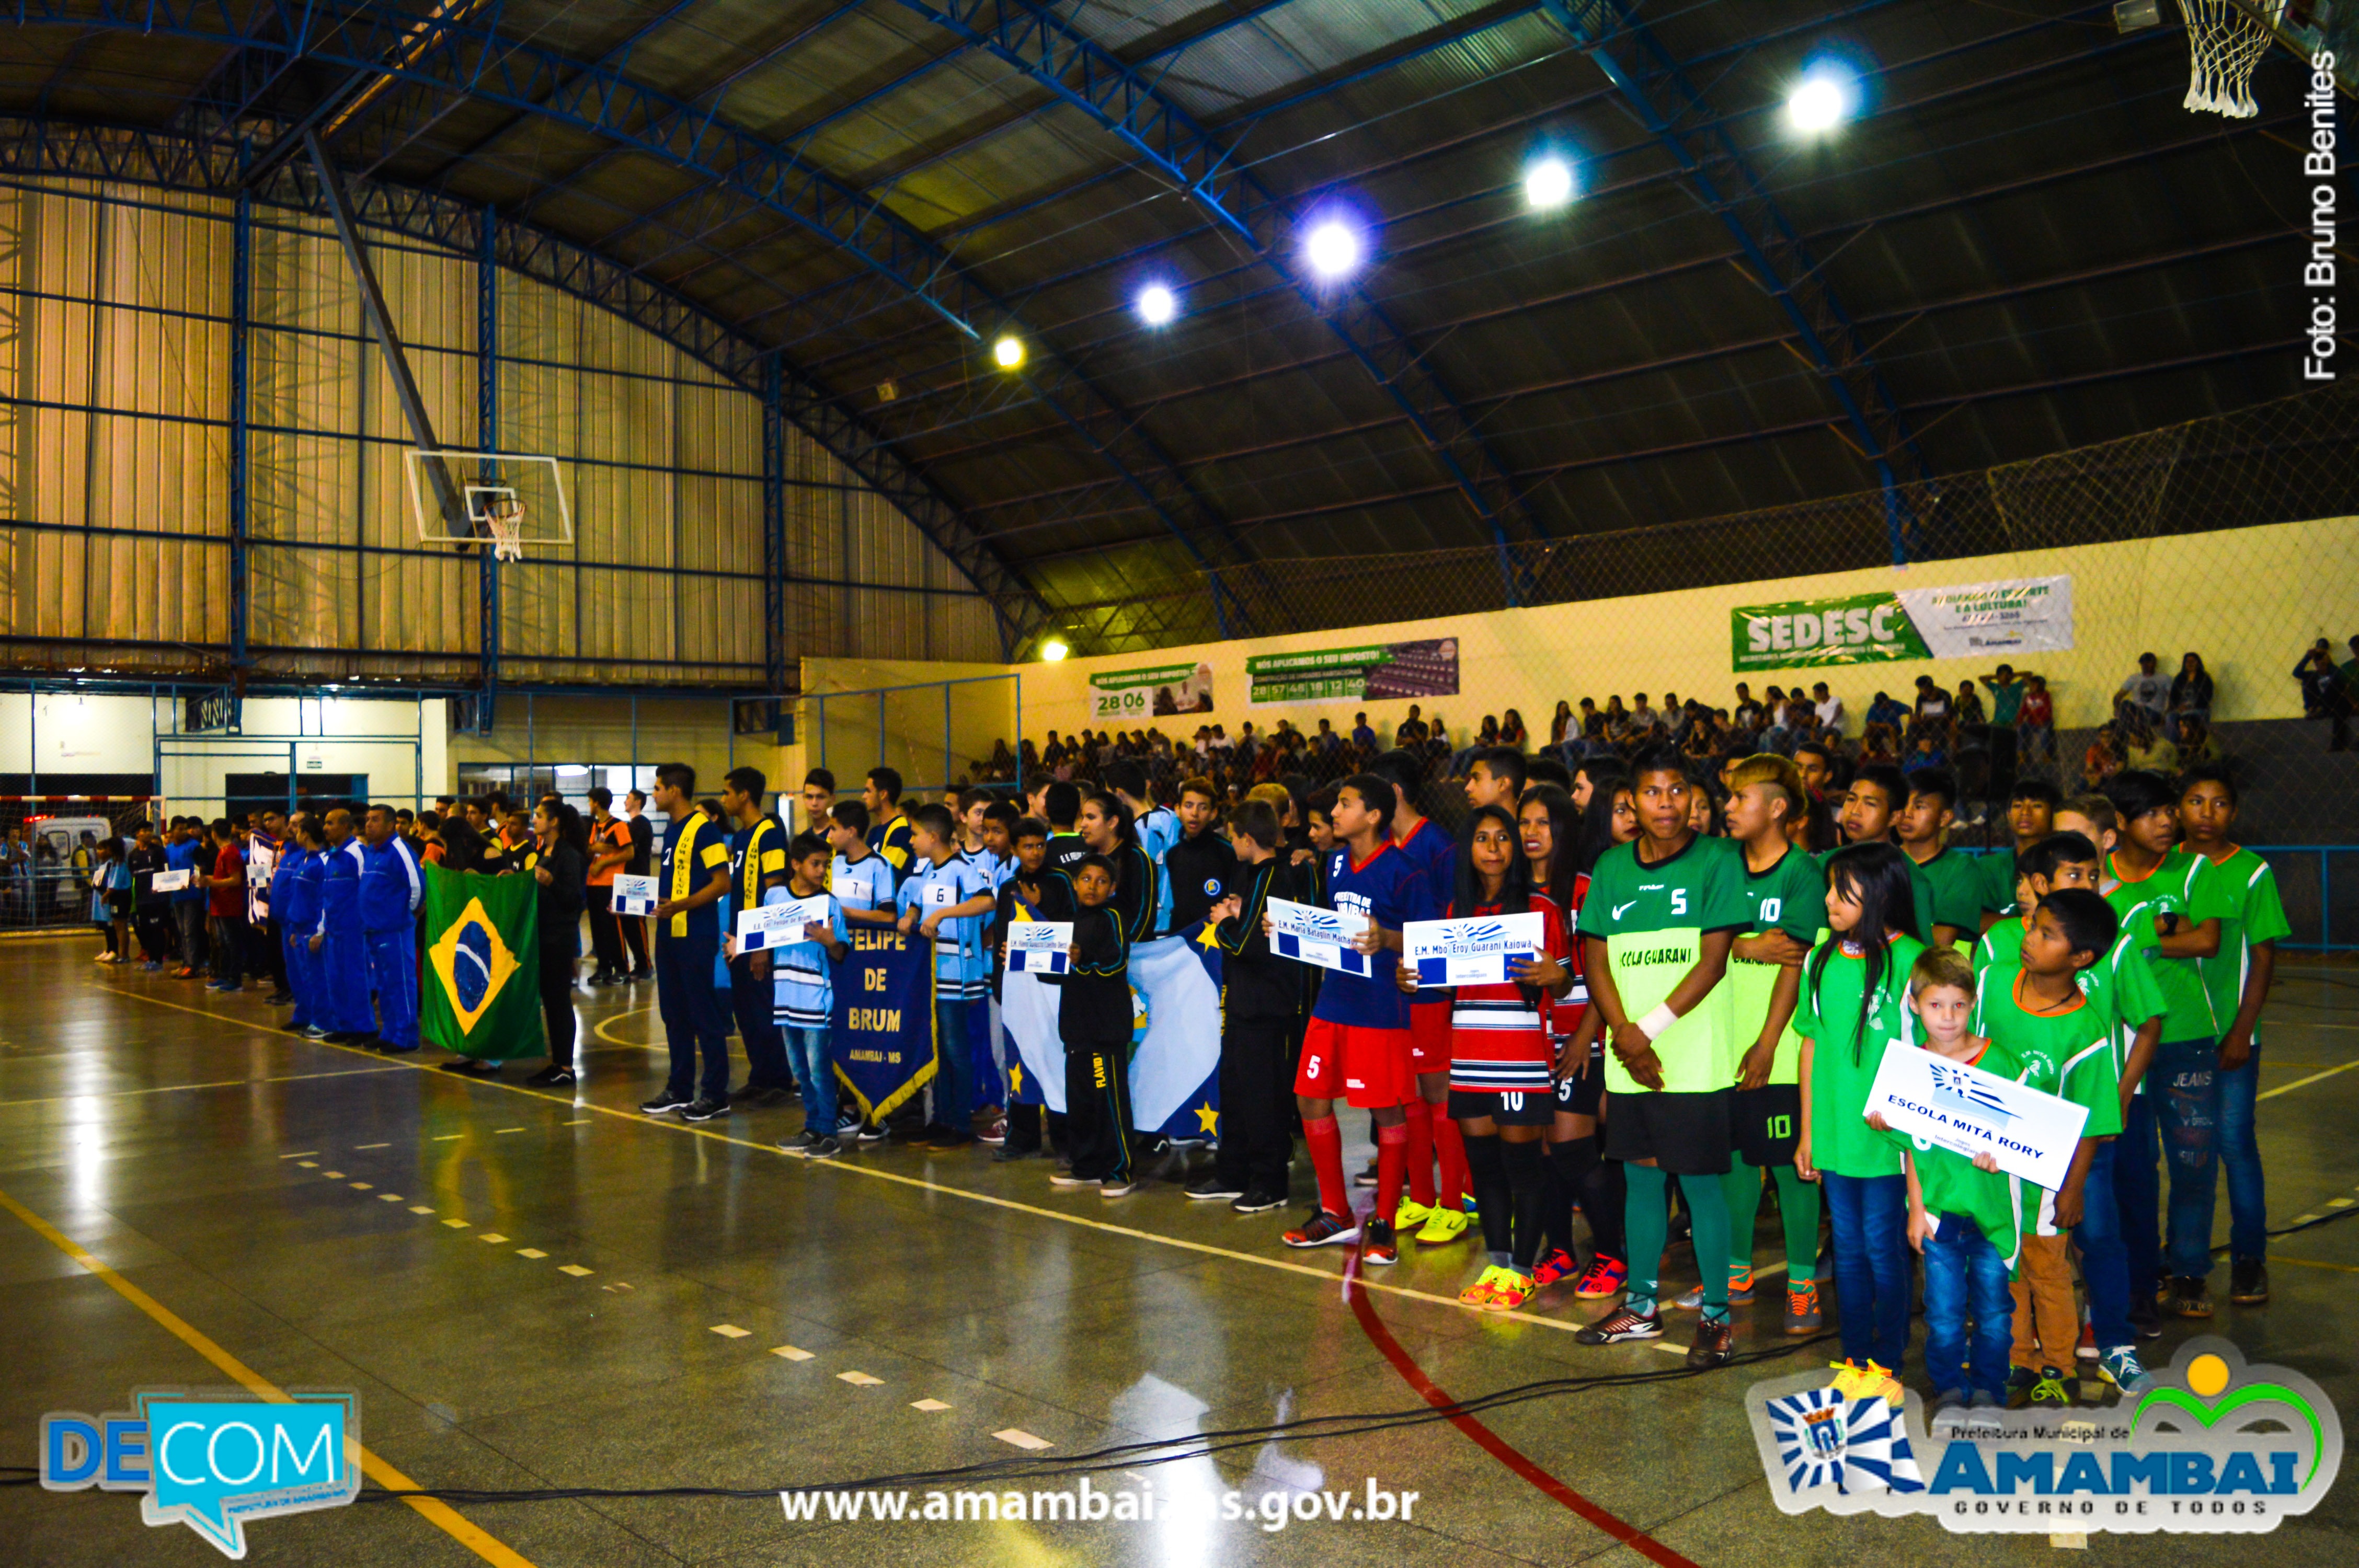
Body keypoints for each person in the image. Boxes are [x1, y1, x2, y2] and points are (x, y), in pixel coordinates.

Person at [1572, 744, 1746, 1367]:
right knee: (1642, 1176)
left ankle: (1719, 1318)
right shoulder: (1614, 867)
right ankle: (1640, 1307)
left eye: (1676, 791)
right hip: (1629, 1053)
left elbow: (1715, 958)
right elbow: (1595, 957)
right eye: (1651, 793)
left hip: (1692, 1054)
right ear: (1632, 803)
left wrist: (1647, 1029)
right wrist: (1622, 1032)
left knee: (1701, 1184)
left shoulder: (1719, 859)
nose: (1665, 804)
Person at [1974, 889, 2140, 1398]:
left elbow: (2090, 1121)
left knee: (2048, 1270)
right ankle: (2017, 1356)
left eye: (2047, 934)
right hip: (1992, 1169)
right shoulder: (1991, 983)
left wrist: (2072, 1190)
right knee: (2005, 1268)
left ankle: (2059, 1363)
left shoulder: (2086, 1030)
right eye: (2032, 926)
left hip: (2047, 1179)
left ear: (2081, 958)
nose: (2029, 938)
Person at [1417, 803, 1572, 1311]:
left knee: (1523, 1166)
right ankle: (1499, 1263)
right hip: (1470, 1054)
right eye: (1483, 838)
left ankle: (1523, 1271)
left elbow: (1566, 979)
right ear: (1469, 849)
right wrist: (1415, 979)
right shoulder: (1452, 913)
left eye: (1502, 838)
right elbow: (1441, 987)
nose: (1493, 847)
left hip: (1519, 1055)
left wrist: (1557, 977)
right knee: (1483, 1166)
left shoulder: (1541, 909)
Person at [1278, 772, 1433, 1262]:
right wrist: (1287, 928)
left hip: (1381, 1007)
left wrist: (1386, 939)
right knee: (1310, 1098)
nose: (1335, 813)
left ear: (1374, 816)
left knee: (1386, 1109)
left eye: (1345, 804)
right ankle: (1336, 1212)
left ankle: (1385, 1217)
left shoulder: (1406, 870)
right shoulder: (1336, 863)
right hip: (1334, 1000)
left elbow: (1430, 942)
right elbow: (1330, 928)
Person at [1702, 755, 1827, 1335]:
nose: (1728, 807)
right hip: (1722, 1043)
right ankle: (1736, 1273)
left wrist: (1767, 1041)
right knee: (1732, 1163)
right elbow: (1711, 940)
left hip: (1775, 1049)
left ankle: (1802, 1285)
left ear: (1777, 808)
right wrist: (1744, 946)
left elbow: (1793, 961)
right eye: (1728, 797)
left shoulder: (1801, 872)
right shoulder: (1721, 862)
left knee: (1788, 1169)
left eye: (1740, 797)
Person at [1792, 842, 1926, 1378]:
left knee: (1883, 1248)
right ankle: (1854, 1356)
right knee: (1847, 1249)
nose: (1829, 899)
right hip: (1834, 1133)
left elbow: (1928, 1053)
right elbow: (1809, 1045)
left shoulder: (1915, 960)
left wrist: (1906, 1116)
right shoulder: (1819, 958)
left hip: (1889, 1139)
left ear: (1881, 895)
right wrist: (1808, 1133)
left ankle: (1887, 1359)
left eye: (1843, 890)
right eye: (1830, 887)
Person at [2101, 769, 2226, 1322]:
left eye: (2167, 811)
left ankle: (2191, 1268)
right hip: (2123, 1042)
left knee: (2193, 1159)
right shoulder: (2096, 878)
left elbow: (2207, 938)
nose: (2167, 821)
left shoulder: (2196, 867)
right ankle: (2141, 1275)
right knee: (2135, 1165)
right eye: (2152, 813)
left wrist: (2135, 935)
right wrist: (2160, 928)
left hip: (2185, 1035)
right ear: (2120, 824)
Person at [1873, 947, 2018, 1414]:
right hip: (1939, 1217)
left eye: (1958, 1005)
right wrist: (1916, 1209)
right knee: (1944, 1315)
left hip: (1994, 1215)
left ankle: (1992, 1388)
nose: (1949, 1017)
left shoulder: (2002, 1064)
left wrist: (2006, 1156)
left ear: (1973, 1003)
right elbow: (1914, 1148)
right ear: (1915, 1005)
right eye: (1936, 1006)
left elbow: (2026, 1139)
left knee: (1995, 1315)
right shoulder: (1909, 1069)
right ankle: (1951, 1386)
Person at [2177, 764, 2289, 1307]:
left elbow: (2264, 956)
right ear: (2178, 809)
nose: (2207, 813)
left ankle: (2249, 1258)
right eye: (2195, 801)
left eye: (2219, 803)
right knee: (2187, 1153)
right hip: (2176, 1034)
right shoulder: (2169, 868)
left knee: (2235, 1143)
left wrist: (2244, 1028)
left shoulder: (2251, 872)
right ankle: (2185, 1265)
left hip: (2231, 1033)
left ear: (2234, 812)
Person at [1367, 748, 1469, 1248]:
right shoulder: (1383, 846)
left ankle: (1454, 1201)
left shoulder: (1440, 845)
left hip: (1429, 988)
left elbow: (1455, 920)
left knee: (1438, 1092)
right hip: (1392, 990)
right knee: (1407, 1094)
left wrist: (1435, 972)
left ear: (1393, 795)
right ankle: (1423, 1196)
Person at [1194, 801, 1297, 1212]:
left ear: (1248, 839)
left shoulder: (1274, 877)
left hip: (1265, 1007)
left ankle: (1271, 1183)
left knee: (1262, 1099)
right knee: (1234, 1092)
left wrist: (1224, 922)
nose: (1229, 842)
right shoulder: (1255, 875)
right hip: (1243, 1005)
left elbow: (1249, 945)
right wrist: (1240, 913)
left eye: (1233, 836)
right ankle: (1232, 1172)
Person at [896, 803, 998, 1149]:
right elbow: (918, 903)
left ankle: (959, 1124)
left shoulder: (961, 869)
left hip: (958, 975)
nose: (911, 841)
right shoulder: (928, 872)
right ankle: (939, 1119)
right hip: (934, 976)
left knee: (956, 1050)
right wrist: (911, 913)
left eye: (914, 834)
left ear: (933, 837)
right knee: (937, 1051)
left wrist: (943, 914)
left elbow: (986, 902)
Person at [639, 765, 734, 1122]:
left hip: (695, 934)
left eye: (659, 788)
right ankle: (679, 1089)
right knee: (674, 1014)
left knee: (702, 1014)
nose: (655, 794)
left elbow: (721, 883)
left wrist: (681, 905)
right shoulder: (672, 828)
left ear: (675, 791)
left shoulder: (703, 829)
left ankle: (715, 1093)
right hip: (668, 935)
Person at [1045, 856, 1139, 1195]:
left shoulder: (1112, 917)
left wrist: (1080, 962)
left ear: (1112, 888)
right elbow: (1053, 970)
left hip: (1105, 1027)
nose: (1092, 886)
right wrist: (1025, 955)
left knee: (1108, 1102)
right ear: (1074, 883)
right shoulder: (1068, 920)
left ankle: (1119, 1169)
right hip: (1076, 1026)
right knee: (1081, 1100)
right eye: (1085, 879)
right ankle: (1085, 1167)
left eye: (1101, 881)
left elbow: (1115, 962)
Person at [766, 831, 850, 1156]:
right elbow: (762, 937)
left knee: (818, 1070)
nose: (821, 871)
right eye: (815, 864)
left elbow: (842, 952)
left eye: (825, 865)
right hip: (785, 997)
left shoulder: (828, 904)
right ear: (795, 864)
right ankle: (812, 1125)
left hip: (816, 999)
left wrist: (830, 942)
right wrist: (739, 945)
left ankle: (828, 1130)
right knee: (799, 1071)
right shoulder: (774, 897)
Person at [719, 766, 795, 1106]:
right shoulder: (739, 836)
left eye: (727, 793)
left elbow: (776, 890)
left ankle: (777, 1080)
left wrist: (761, 945)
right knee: (746, 1013)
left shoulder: (770, 834)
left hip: (758, 943)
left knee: (764, 1012)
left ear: (744, 795)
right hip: (739, 942)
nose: (723, 801)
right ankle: (759, 1077)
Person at [518, 801, 589, 1088]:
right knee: (550, 1000)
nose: (534, 820)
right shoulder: (539, 853)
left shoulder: (568, 856)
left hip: (558, 937)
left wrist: (550, 882)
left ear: (555, 822)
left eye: (538, 816)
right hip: (541, 934)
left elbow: (574, 900)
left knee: (559, 1001)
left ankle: (565, 1066)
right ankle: (556, 1061)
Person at [358, 804, 423, 1054]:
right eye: (367, 820)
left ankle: (406, 1037)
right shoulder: (373, 852)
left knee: (400, 983)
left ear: (390, 825)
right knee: (384, 984)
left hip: (394, 930)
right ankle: (390, 1032)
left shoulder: (399, 850)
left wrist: (405, 914)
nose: (368, 825)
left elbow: (417, 886)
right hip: (374, 929)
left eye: (375, 820)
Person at [1896, 769, 1980, 949]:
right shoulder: (1882, 860)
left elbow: (1942, 939)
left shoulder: (1961, 868)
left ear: (1945, 818)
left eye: (1919, 807)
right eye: (1903, 804)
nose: (1907, 814)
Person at [308, 810, 370, 1040]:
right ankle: (344, 1026)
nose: (325, 828)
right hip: (334, 930)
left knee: (355, 979)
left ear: (345, 826)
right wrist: (322, 929)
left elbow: (368, 889)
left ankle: (363, 1028)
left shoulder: (358, 853)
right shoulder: (331, 857)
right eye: (324, 823)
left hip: (354, 930)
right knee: (336, 980)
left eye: (330, 823)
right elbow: (327, 898)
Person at [1978, 778, 2060, 932]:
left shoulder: (2064, 865)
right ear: (2008, 815)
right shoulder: (1989, 867)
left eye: (2036, 805)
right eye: (2018, 806)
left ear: (2054, 814)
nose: (2025, 813)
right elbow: (1976, 921)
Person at [1164, 775, 1235, 933]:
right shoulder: (1173, 855)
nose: (1195, 813)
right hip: (1183, 942)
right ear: (1178, 809)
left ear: (1213, 813)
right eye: (1189, 806)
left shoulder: (1228, 852)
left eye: (1203, 807)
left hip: (1215, 943)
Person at [278, 820, 324, 1034]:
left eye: (297, 829)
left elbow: (323, 899)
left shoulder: (320, 863)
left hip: (312, 928)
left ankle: (320, 1019)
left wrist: (319, 931)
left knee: (315, 978)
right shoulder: (304, 860)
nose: (292, 832)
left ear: (305, 834)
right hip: (297, 928)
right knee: (298, 977)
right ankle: (303, 1015)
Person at [583, 788, 631, 986]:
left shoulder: (618, 826)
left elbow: (629, 853)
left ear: (596, 802)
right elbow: (588, 851)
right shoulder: (595, 827)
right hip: (593, 883)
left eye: (590, 801)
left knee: (613, 928)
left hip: (611, 884)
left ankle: (622, 969)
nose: (589, 805)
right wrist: (593, 849)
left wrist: (603, 863)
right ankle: (604, 968)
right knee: (598, 928)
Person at [204, 818, 247, 991]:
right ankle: (225, 975)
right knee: (224, 941)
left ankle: (235, 979)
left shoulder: (230, 853)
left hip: (229, 905)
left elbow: (236, 880)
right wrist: (208, 881)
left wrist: (211, 883)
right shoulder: (224, 852)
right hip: (221, 905)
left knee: (232, 942)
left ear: (214, 834)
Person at [166, 818, 208, 978]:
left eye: (186, 829)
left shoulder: (194, 846)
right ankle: (186, 962)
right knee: (182, 931)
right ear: (172, 831)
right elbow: (167, 870)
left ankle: (193, 965)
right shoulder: (169, 848)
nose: (184, 832)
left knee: (190, 931)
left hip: (192, 895)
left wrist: (195, 880)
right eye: (180, 829)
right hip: (177, 895)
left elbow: (202, 867)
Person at [125, 822, 168, 969]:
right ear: (138, 834)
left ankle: (158, 961)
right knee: (146, 930)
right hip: (141, 899)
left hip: (157, 899)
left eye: (150, 831)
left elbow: (166, 871)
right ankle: (150, 959)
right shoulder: (133, 855)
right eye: (144, 831)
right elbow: (133, 874)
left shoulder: (158, 851)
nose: (148, 833)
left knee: (157, 929)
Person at [863, 766, 914, 874]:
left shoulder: (902, 830)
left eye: (868, 791)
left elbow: (888, 873)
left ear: (883, 795)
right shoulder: (874, 832)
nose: (864, 796)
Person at [2167, 654, 2213, 743]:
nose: (2190, 664)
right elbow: (2173, 697)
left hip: (2199, 709)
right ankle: (2174, 745)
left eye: (2193, 661)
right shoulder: (2179, 678)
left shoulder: (2205, 678)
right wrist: (2178, 707)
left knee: (2187, 715)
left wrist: (2192, 707)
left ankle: (2190, 744)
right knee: (2170, 717)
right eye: (2188, 662)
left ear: (2198, 663)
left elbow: (2207, 698)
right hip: (2181, 709)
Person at [2120, 653, 2169, 724]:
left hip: (2154, 712)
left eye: (2148, 662)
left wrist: (2166, 714)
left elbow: (2172, 699)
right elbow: (2119, 695)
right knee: (2125, 704)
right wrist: (2117, 709)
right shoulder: (2134, 678)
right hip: (2137, 711)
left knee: (2145, 716)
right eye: (2143, 663)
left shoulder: (2164, 678)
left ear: (2155, 663)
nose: (2145, 665)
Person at [800, 768, 837, 834]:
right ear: (803, 798)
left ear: (832, 799)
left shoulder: (839, 837)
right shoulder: (804, 838)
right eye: (809, 797)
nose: (814, 803)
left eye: (821, 797)